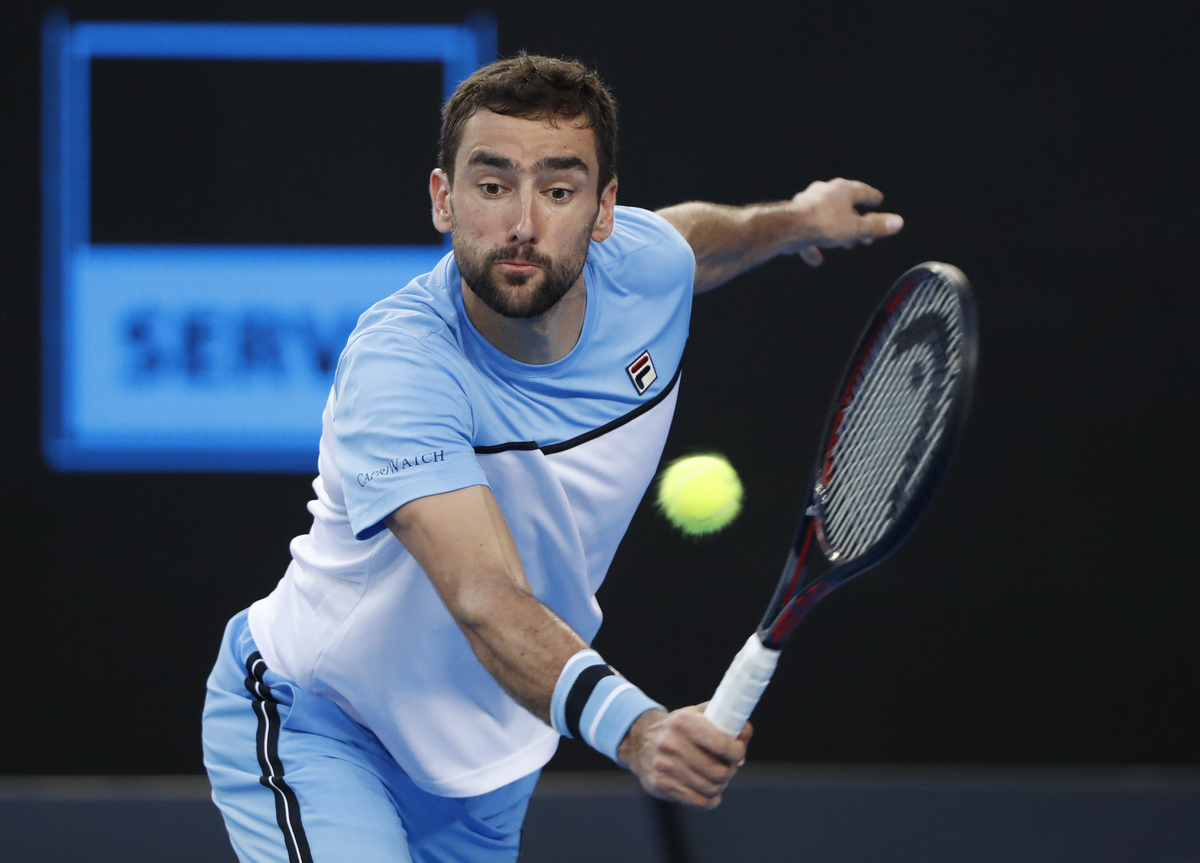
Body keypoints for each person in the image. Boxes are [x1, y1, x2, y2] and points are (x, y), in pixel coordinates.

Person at [202, 53, 903, 863]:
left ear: (605, 211)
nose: (524, 223)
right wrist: (638, 729)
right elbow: (483, 596)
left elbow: (703, 241)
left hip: (491, 765)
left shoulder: (644, 266)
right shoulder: (401, 367)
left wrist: (798, 221)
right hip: (322, 723)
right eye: (492, 185)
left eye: (560, 190)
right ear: (444, 200)